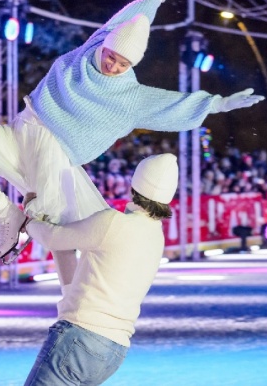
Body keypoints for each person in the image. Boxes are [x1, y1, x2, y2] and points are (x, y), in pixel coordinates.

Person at [0, 0, 264, 264]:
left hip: (54, 154)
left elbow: (173, 104)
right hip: (23, 128)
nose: (113, 66)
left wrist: (218, 103)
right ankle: (3, 212)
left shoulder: (129, 96)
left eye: (123, 64)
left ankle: (68, 305)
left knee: (55, 229)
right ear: (104, 45)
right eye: (111, 56)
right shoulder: (91, 48)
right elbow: (132, 17)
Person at [23, 153, 178, 385]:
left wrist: (29, 220)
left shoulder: (113, 222)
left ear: (135, 184)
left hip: (81, 336)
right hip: (113, 349)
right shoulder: (155, 236)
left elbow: (53, 238)